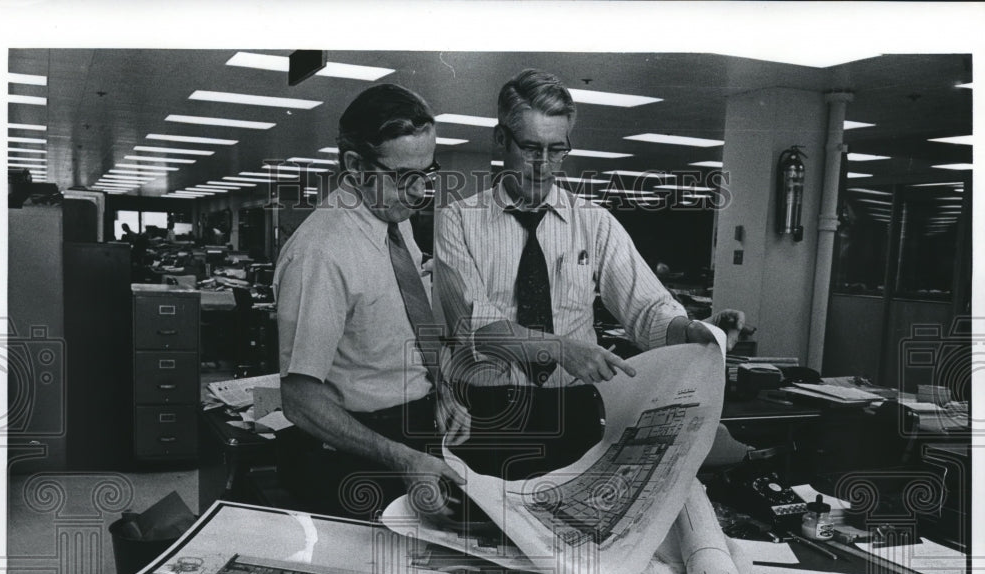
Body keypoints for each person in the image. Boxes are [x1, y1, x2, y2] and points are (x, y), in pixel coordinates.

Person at [435, 68, 744, 479]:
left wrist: (693, 331)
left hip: (573, 409)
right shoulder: (458, 220)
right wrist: (562, 349)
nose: (543, 165)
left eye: (557, 150)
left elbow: (647, 309)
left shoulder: (594, 223)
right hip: (490, 413)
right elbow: (477, 327)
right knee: (487, 536)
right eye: (529, 148)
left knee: (574, 537)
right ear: (499, 140)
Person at [274, 84, 471, 520]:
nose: (419, 191)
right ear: (355, 165)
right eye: (403, 176)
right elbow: (300, 401)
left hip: (414, 433)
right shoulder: (321, 253)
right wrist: (403, 459)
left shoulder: (393, 222)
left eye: (427, 172)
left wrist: (441, 393)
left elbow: (397, 331)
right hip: (355, 457)